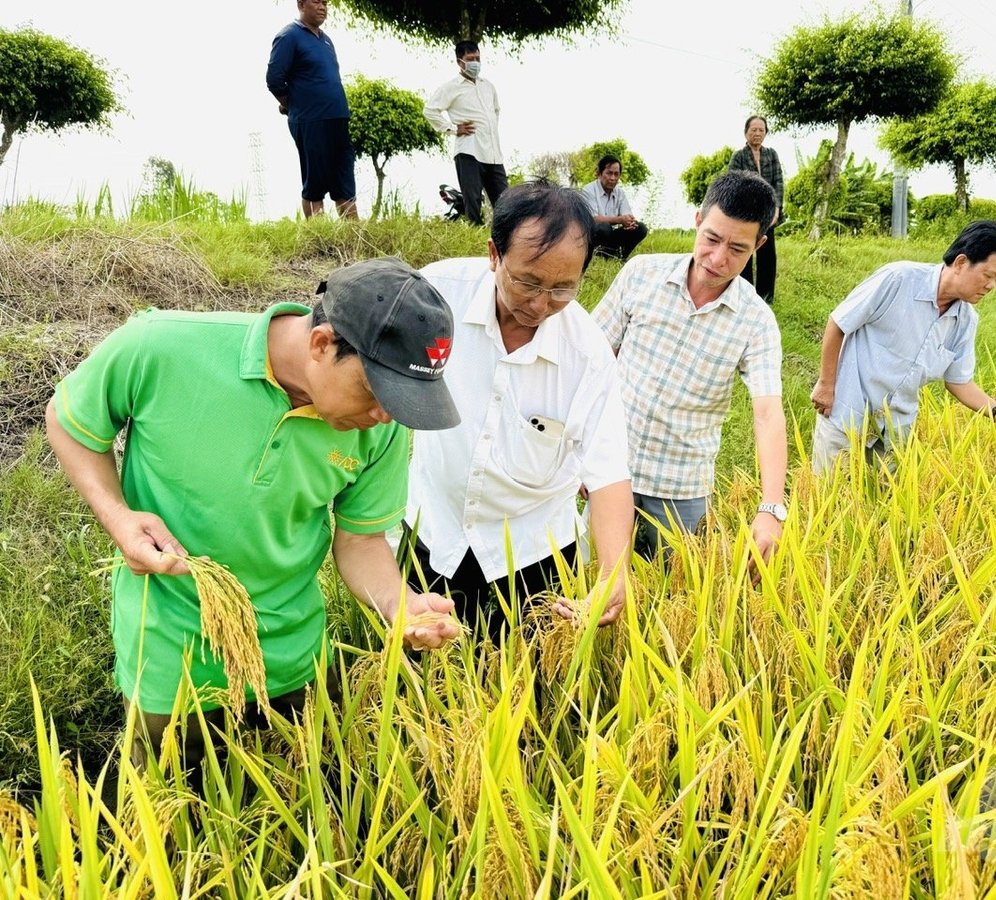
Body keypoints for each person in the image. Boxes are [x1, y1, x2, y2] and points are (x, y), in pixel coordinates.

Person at [45, 257, 461, 773]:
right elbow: (68, 421)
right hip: (172, 669)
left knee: (308, 813)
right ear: (321, 344)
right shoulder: (158, 347)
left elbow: (361, 541)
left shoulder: (382, 427)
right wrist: (118, 516)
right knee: (178, 827)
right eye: (376, 393)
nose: (384, 415)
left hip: (296, 661)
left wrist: (401, 607)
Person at [396, 180, 634, 640]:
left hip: (532, 555)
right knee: (420, 680)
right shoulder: (435, 294)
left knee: (525, 686)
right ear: (493, 254)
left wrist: (612, 573)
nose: (541, 304)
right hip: (434, 531)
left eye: (564, 289)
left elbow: (608, 473)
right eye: (528, 281)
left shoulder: (586, 354)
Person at [592, 170, 787, 565]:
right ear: (698, 220)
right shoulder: (640, 275)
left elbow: (767, 414)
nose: (718, 259)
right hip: (611, 472)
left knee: (673, 600)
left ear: (759, 245)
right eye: (712, 239)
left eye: (737, 248)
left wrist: (771, 508)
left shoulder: (756, 320)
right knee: (591, 585)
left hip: (682, 488)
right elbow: (591, 364)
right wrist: (579, 455)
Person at [809, 219, 996, 476]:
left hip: (895, 434)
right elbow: (839, 322)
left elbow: (959, 382)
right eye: (988, 276)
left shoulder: (965, 320)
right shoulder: (898, 279)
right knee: (829, 503)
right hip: (847, 417)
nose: (992, 286)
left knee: (881, 509)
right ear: (961, 262)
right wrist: (826, 384)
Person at [266, 0, 358, 219]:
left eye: (325, 2)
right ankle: (318, 242)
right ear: (301, 4)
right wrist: (293, 105)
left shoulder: (326, 41)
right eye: (316, 1)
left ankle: (355, 240)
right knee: (315, 183)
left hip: (338, 118)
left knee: (344, 183)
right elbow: (274, 79)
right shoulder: (288, 36)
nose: (322, 6)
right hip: (310, 121)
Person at [424, 40, 507, 227]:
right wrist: (452, 128)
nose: (475, 62)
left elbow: (496, 110)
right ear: (459, 61)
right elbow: (430, 110)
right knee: (473, 201)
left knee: (506, 203)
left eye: (478, 58)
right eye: (470, 59)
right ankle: (474, 241)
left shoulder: (488, 86)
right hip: (469, 152)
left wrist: (489, 130)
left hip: (493, 154)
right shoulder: (451, 87)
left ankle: (505, 241)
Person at [727, 115, 784, 303]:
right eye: (754, 130)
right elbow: (733, 184)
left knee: (768, 255)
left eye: (761, 130)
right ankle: (746, 294)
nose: (758, 133)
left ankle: (765, 297)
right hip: (747, 213)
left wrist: (776, 209)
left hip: (769, 213)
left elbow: (778, 183)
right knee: (744, 251)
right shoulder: (739, 156)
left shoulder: (772, 154)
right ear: (746, 132)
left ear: (766, 133)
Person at [579, 154, 649, 261]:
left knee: (641, 228)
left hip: (611, 235)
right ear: (600, 173)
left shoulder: (620, 193)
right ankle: (598, 254)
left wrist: (630, 223)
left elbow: (627, 215)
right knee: (603, 227)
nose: (613, 178)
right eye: (609, 173)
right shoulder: (588, 190)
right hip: (592, 236)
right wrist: (620, 220)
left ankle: (620, 257)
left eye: (616, 174)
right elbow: (593, 219)